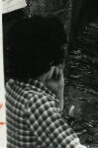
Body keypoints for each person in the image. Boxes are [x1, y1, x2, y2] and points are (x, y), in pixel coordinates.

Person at [5, 15, 86, 148]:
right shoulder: (37, 102)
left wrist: (58, 91)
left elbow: (50, 127)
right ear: (50, 59)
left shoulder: (11, 86)